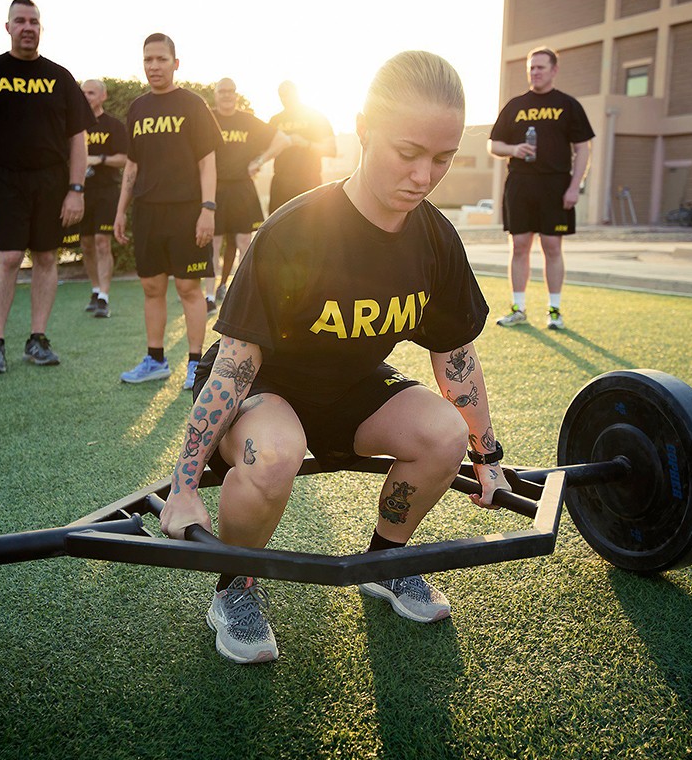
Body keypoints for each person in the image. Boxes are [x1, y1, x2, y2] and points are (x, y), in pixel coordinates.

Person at [160, 51, 510, 664]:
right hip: (263, 388)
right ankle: (235, 588)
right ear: (364, 129)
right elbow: (235, 367)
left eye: (442, 158)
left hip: (350, 388)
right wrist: (184, 485)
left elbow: (456, 356)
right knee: (276, 452)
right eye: (408, 152)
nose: (424, 176)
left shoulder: (434, 237)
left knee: (443, 435)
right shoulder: (297, 231)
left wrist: (487, 459)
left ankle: (386, 559)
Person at [0, 0, 92, 374]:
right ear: (8, 28)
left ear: (41, 28)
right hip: (5, 178)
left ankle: (37, 339)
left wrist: (76, 189)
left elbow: (77, 138)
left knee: (47, 257)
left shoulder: (60, 77)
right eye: (20, 21)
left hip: (52, 180)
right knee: (10, 256)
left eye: (34, 21)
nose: (28, 27)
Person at [114, 33, 222, 389]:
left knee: (189, 288)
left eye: (161, 59)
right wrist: (120, 211)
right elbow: (132, 166)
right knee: (151, 287)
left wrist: (208, 209)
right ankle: (156, 359)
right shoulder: (137, 108)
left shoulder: (193, 104)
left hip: (186, 211)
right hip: (147, 212)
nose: (154, 66)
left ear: (175, 63)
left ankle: (195, 365)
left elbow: (207, 162)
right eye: (148, 59)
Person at [489, 47, 593, 330]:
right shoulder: (515, 105)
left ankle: (554, 311)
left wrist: (574, 187)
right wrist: (514, 149)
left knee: (552, 247)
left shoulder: (568, 105)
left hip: (555, 185)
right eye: (531, 68)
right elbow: (494, 144)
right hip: (520, 184)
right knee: (519, 246)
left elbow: (583, 149)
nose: (535, 72)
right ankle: (518, 308)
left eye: (540, 67)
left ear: (554, 70)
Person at [204, 77, 289, 312]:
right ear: (216, 94)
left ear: (236, 94)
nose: (227, 95)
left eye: (231, 91)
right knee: (213, 243)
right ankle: (209, 297)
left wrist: (259, 161)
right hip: (215, 188)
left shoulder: (247, 120)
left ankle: (240, 295)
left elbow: (282, 140)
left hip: (243, 188)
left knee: (244, 242)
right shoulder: (207, 118)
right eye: (222, 91)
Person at [66, 79, 128, 320]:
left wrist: (98, 159)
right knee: (86, 244)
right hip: (80, 193)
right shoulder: (73, 125)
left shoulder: (113, 125)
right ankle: (94, 290)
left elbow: (124, 159)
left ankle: (104, 296)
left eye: (91, 93)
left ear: (103, 96)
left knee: (102, 242)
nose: (86, 97)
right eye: (83, 93)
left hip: (106, 191)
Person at [266, 80, 336, 213]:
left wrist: (305, 143)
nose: (285, 98)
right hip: (280, 184)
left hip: (309, 181)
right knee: (278, 225)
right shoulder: (275, 120)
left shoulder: (315, 117)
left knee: (311, 225)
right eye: (282, 95)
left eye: (289, 94)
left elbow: (331, 150)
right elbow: (266, 151)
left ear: (297, 93)